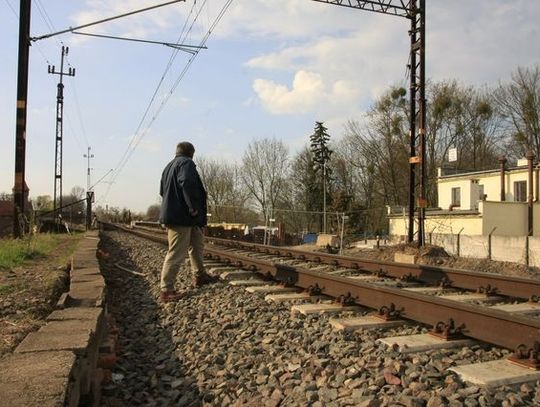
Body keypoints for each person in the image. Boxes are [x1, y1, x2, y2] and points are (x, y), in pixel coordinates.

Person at [159, 141, 217, 302]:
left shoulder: (168, 167)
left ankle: (200, 276)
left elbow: (162, 191)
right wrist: (192, 206)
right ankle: (167, 290)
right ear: (192, 153)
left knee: (197, 245)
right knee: (177, 252)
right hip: (182, 216)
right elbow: (187, 183)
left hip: (185, 218)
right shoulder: (187, 163)